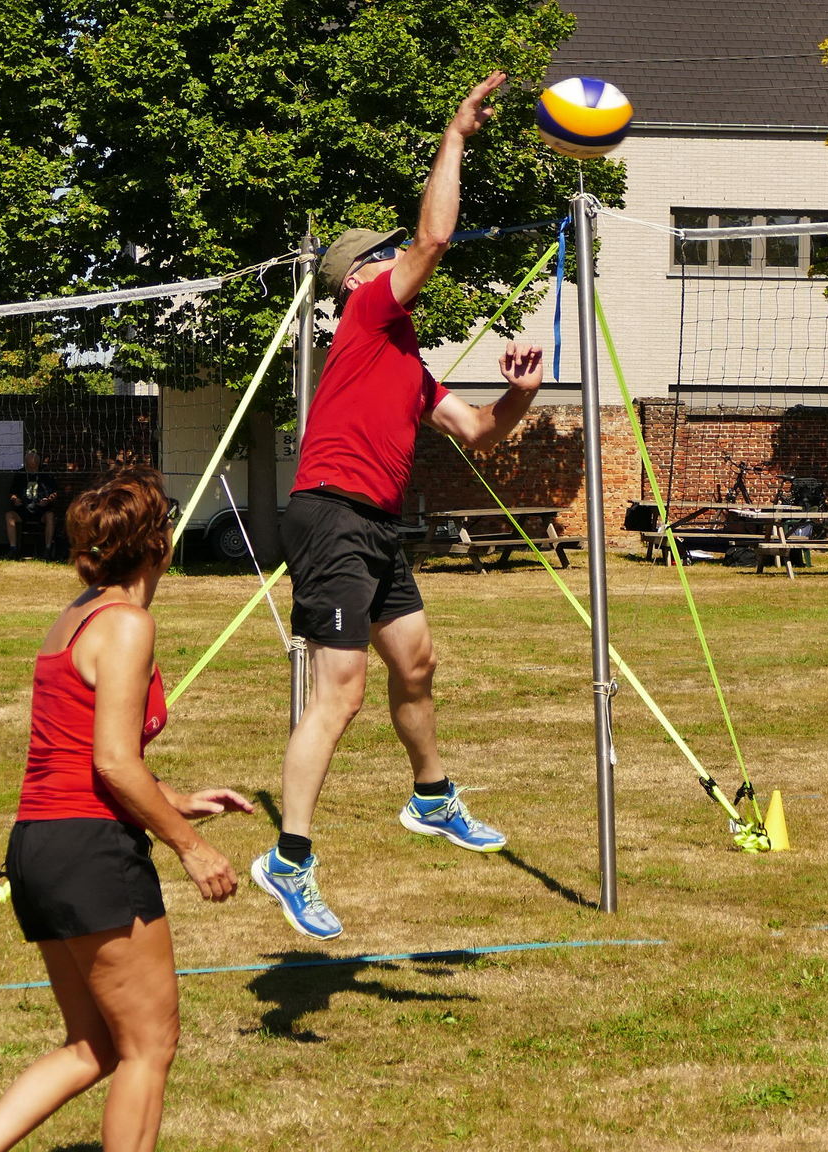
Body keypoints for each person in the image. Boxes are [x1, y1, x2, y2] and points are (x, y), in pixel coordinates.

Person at [251, 71, 545, 940]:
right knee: (339, 695)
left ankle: (432, 798)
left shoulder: (407, 363)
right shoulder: (369, 315)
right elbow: (435, 234)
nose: (398, 258)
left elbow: (479, 432)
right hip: (332, 514)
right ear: (358, 279)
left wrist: (520, 395)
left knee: (415, 663)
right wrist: (456, 135)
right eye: (383, 254)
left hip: (374, 525)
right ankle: (288, 860)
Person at [0, 466, 253, 1152]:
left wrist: (177, 800)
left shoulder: (78, 615)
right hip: (90, 851)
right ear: (159, 543)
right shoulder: (126, 623)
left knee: (91, 1046)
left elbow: (83, 750)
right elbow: (114, 764)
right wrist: (191, 848)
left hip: (40, 847)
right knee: (149, 1046)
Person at [6, 449, 60, 560]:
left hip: (41, 510)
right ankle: (13, 549)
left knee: (50, 516)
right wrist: (15, 499)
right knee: (9, 515)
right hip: (23, 509)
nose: (33, 469)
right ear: (26, 464)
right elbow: (12, 493)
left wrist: (48, 500)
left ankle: (48, 549)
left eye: (35, 467)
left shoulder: (46, 474)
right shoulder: (20, 474)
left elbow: (55, 493)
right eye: (30, 467)